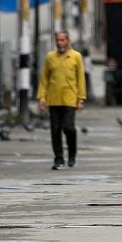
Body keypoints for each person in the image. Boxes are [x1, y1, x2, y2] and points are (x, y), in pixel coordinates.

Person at [37, 30, 86, 170]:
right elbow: (44, 78)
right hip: (53, 99)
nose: (60, 43)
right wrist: (42, 97)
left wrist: (81, 99)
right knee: (55, 130)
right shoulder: (50, 57)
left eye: (62, 40)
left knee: (68, 127)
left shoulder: (76, 57)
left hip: (70, 99)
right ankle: (58, 158)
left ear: (68, 41)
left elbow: (81, 79)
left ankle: (72, 154)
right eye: (58, 41)